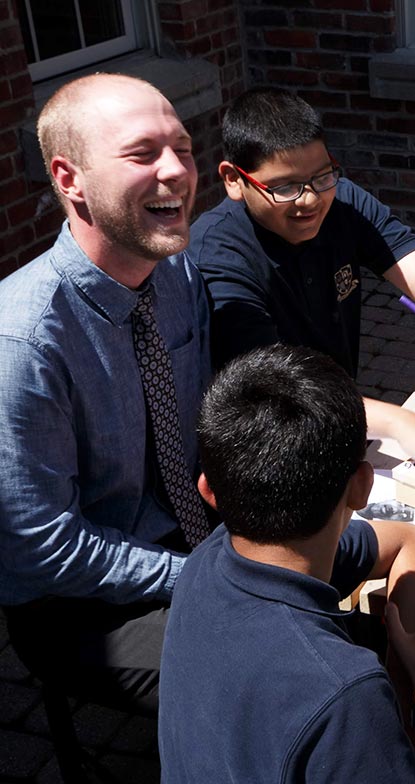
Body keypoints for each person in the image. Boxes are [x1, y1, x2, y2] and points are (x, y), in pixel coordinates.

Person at [159, 344, 415, 783]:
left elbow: (410, 539)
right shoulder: (343, 699)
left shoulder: (206, 563)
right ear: (362, 488)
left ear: (209, 491)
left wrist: (402, 688)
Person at [0, 74, 208, 710]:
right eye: (143, 154)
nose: (176, 170)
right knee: (273, 675)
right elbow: (41, 549)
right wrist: (207, 576)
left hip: (193, 535)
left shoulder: (176, 270)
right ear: (70, 179)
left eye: (184, 147)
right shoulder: (23, 345)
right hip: (78, 606)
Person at [190, 86, 415, 485]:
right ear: (234, 180)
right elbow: (278, 394)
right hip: (267, 456)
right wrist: (401, 423)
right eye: (285, 187)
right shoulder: (218, 256)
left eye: (322, 176)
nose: (310, 200)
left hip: (343, 425)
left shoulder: (343, 202)